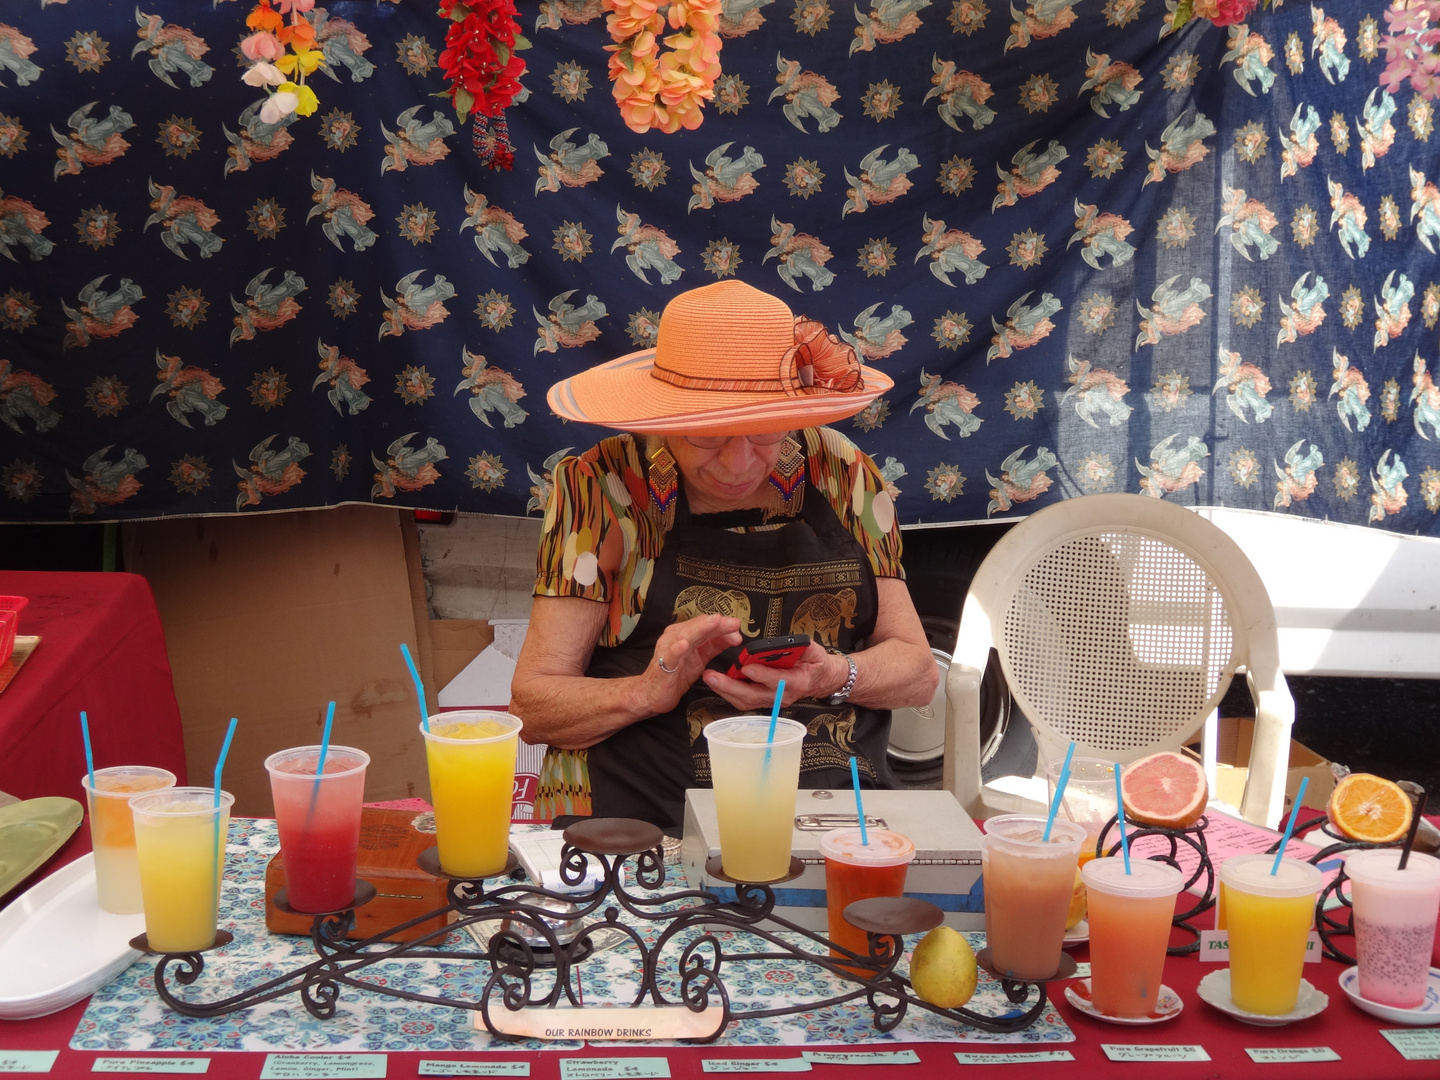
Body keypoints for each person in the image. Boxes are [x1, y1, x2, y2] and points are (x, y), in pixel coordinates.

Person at [511, 280, 938, 831]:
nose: (739, 463)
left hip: (827, 820)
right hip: (640, 824)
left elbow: (919, 672)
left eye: (764, 435)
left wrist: (831, 675)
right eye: (709, 438)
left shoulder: (843, 472)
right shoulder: (599, 485)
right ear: (665, 418)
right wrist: (647, 691)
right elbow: (533, 706)